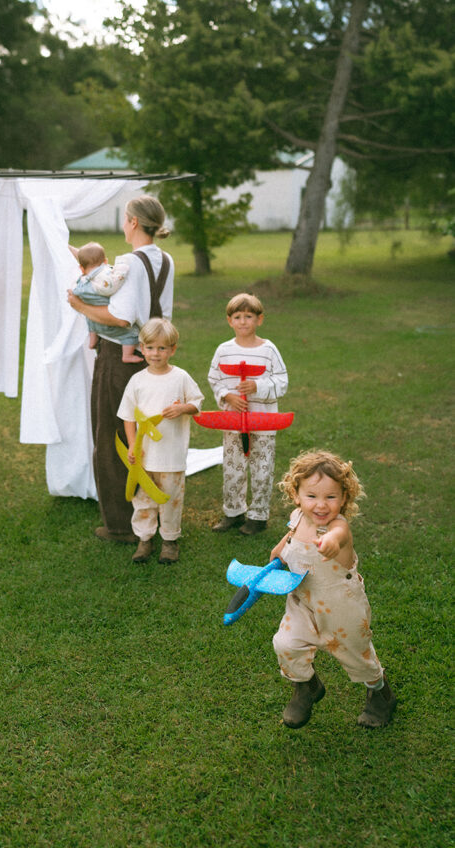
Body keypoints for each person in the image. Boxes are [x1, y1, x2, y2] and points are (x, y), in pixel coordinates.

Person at [67, 194, 174, 544]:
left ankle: (119, 525)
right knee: (145, 437)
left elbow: (121, 317)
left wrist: (79, 305)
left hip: (120, 356)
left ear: (131, 222)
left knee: (111, 435)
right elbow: (160, 313)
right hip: (155, 355)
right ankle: (150, 517)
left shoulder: (129, 260)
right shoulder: (166, 260)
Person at [269, 449, 397, 730]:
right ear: (296, 495)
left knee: (356, 654)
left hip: (341, 604)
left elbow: (338, 537)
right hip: (302, 600)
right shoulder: (297, 517)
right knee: (285, 643)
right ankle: (306, 687)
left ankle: (380, 692)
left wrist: (330, 544)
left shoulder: (338, 527)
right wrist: (279, 552)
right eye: (311, 496)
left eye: (331, 497)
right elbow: (291, 536)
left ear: (344, 498)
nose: (321, 505)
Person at [117, 319, 203, 565]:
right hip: (145, 456)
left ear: (172, 349)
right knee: (143, 498)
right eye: (150, 348)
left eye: (162, 348)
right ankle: (145, 538)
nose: (156, 353)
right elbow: (128, 417)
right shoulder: (137, 381)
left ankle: (169, 539)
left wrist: (182, 408)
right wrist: (133, 446)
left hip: (171, 454)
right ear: (142, 348)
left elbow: (197, 403)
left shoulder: (180, 377)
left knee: (171, 498)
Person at [207, 292, 288, 535]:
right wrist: (227, 396)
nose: (243, 321)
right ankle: (233, 512)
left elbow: (282, 381)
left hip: (262, 420)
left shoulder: (269, 350)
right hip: (233, 421)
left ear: (259, 320)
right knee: (233, 467)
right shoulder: (224, 350)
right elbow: (214, 378)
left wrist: (257, 387)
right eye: (238, 316)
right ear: (230, 320)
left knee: (262, 468)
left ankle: (258, 515)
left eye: (249, 316)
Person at [69, 242, 142, 363]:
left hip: (94, 323)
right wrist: (121, 268)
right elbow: (112, 285)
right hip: (109, 323)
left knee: (89, 316)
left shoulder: (82, 282)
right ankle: (127, 355)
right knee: (131, 335)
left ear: (81, 268)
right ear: (106, 262)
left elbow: (85, 260)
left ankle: (92, 340)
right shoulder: (105, 279)